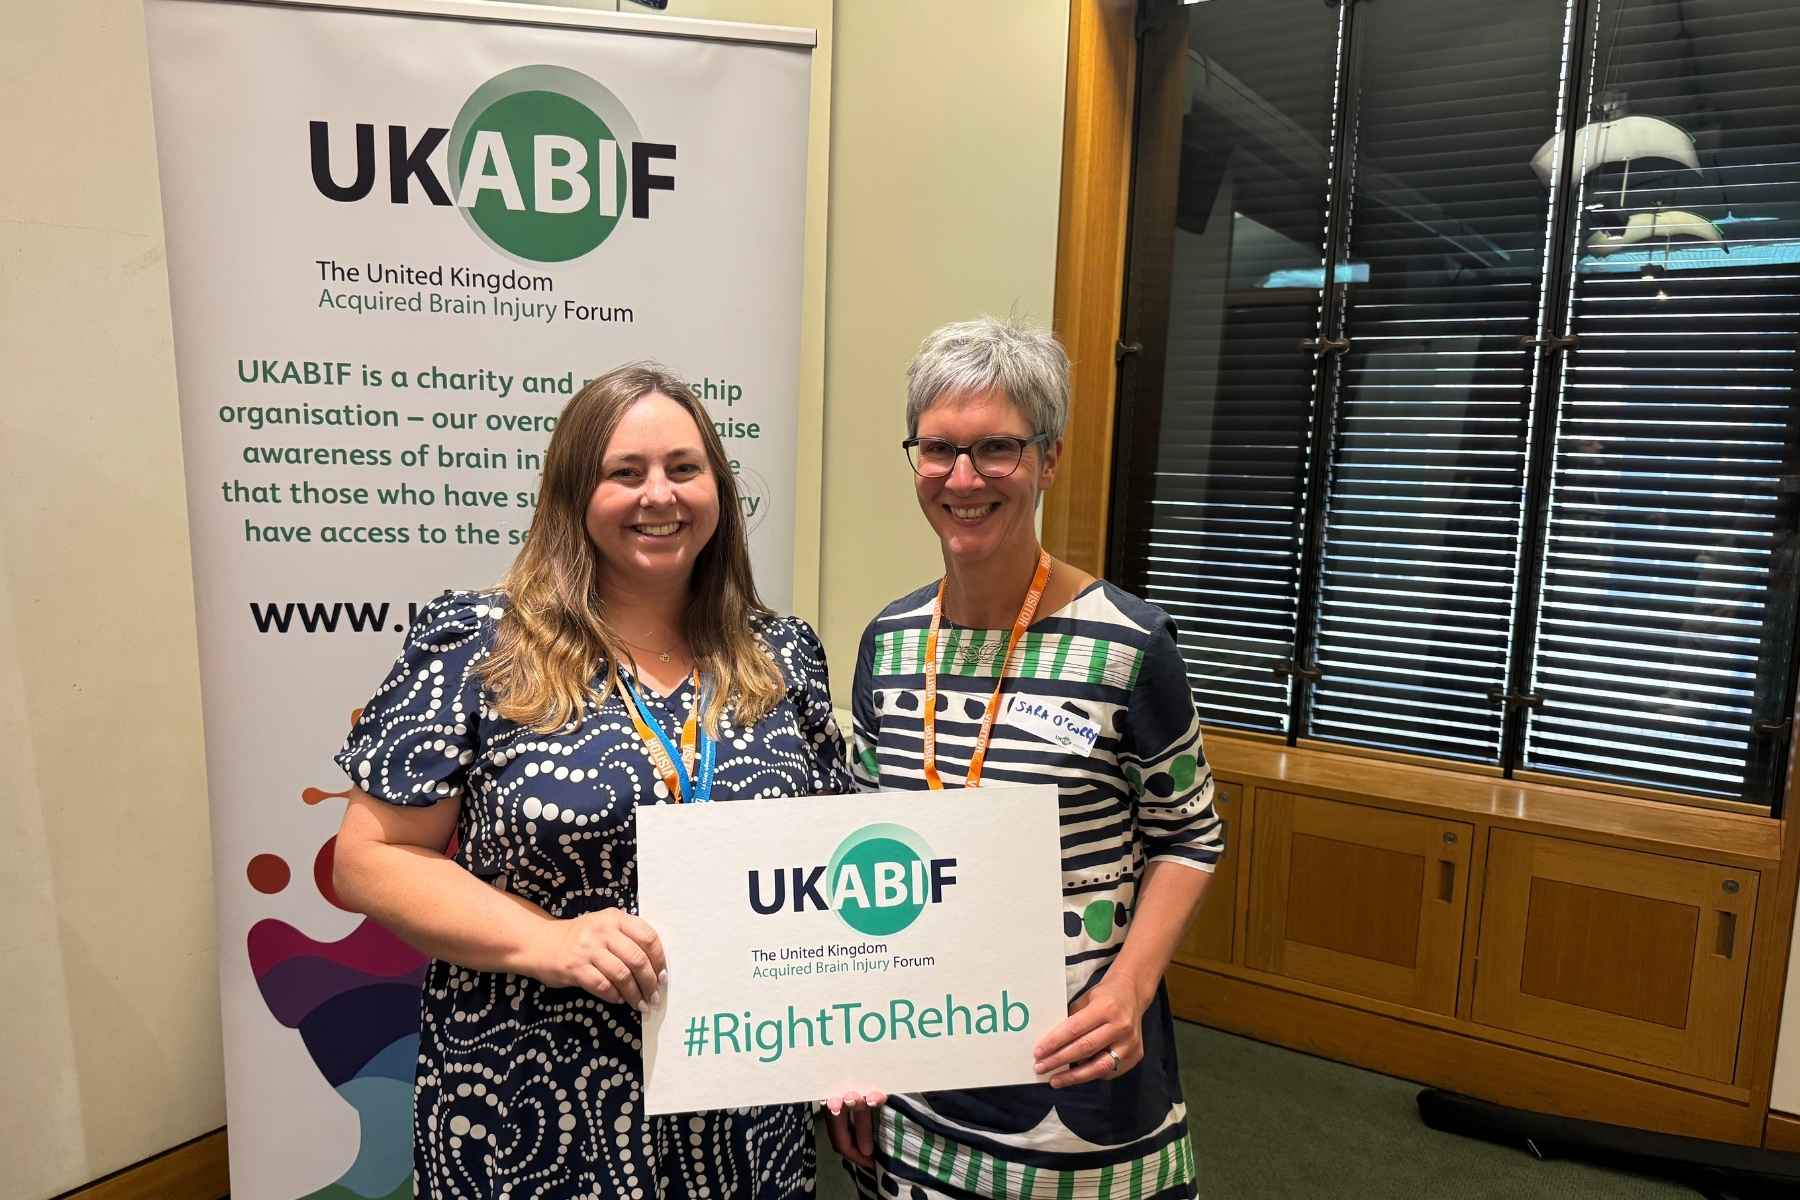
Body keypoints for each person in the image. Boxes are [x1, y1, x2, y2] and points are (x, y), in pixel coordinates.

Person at [331, 363, 850, 1199]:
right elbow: (369, 859)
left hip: (744, 1113)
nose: (661, 495)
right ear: (574, 493)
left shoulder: (781, 654)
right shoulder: (479, 641)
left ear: (719, 485)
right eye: (625, 472)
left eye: (685, 468)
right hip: (535, 1099)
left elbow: (833, 864)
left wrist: (858, 1035)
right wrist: (554, 942)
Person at [828, 318, 1222, 1197]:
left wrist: (1130, 987)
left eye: (996, 449)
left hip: (1073, 1069)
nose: (963, 478)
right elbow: (854, 852)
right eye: (939, 449)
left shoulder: (1130, 644)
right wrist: (844, 1051)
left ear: (1046, 459)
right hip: (913, 1078)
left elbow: (1190, 837)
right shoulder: (888, 643)